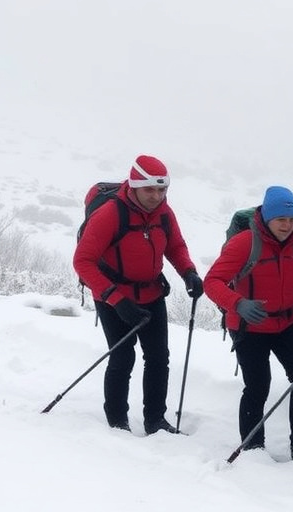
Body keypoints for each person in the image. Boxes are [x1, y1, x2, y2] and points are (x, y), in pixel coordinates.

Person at [73, 154, 204, 435]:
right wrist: (116, 300)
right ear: (134, 186)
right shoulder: (110, 214)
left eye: (162, 189)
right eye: (150, 189)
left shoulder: (164, 213)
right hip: (113, 296)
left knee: (158, 357)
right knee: (123, 356)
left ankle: (155, 419)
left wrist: (189, 273)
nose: (157, 196)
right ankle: (117, 418)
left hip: (151, 292)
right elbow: (82, 262)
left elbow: (176, 246)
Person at [203, 186, 293, 460]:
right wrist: (238, 304)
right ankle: (252, 446)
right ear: (268, 218)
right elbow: (212, 282)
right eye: (281, 220)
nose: (287, 225)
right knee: (258, 385)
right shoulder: (244, 243)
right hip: (249, 326)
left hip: (287, 322)